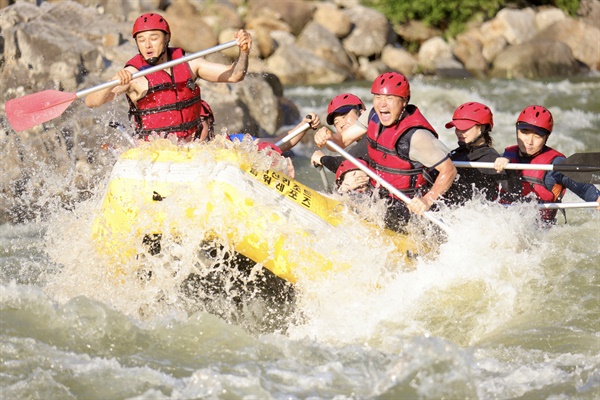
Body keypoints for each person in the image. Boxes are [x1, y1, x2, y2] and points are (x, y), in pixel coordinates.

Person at [315, 72, 457, 231]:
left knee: (357, 206)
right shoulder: (372, 116)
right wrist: (326, 137)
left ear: (404, 101)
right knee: (345, 191)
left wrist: (427, 200)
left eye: (389, 98)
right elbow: (341, 141)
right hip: (379, 196)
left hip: (407, 207)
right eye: (378, 97)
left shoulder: (417, 136)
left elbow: (449, 170)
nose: (382, 104)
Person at [85, 13, 252, 142]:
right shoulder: (134, 76)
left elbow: (235, 75)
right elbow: (92, 101)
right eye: (141, 40)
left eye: (154, 38)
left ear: (166, 38)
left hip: (196, 147)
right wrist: (112, 81)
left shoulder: (190, 63)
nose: (147, 45)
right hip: (158, 153)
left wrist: (243, 52)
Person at [494, 105, 600, 223]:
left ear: (546, 138)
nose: (529, 141)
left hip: (541, 232)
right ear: (517, 132)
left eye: (537, 135)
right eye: (525, 132)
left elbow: (585, 189)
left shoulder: (556, 164)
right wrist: (500, 162)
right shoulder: (504, 157)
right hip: (504, 225)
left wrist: (597, 199)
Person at [443, 102, 519, 205]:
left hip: (474, 215)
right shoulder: (456, 153)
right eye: (457, 127)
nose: (459, 132)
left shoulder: (491, 158)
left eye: (465, 128)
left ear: (481, 128)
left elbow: (514, 192)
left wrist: (508, 168)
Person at [311, 93, 370, 192]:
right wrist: (326, 136)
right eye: (336, 122)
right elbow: (341, 140)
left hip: (399, 196)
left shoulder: (375, 131)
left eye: (344, 116)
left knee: (352, 175)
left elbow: (347, 162)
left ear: (362, 113)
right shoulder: (359, 143)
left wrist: (322, 158)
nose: (341, 124)